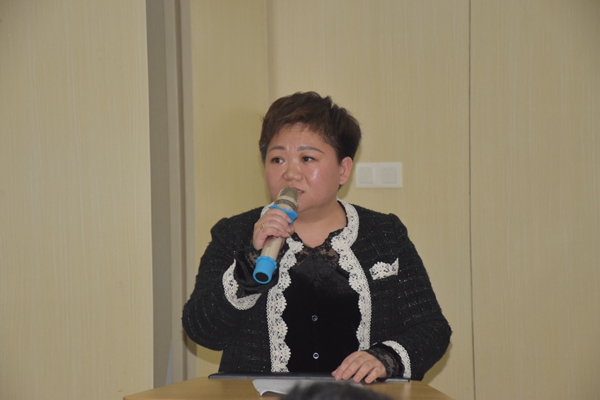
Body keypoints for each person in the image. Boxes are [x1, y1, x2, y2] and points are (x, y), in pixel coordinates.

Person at [182, 91, 451, 383]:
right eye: (277, 159)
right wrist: (250, 261)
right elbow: (202, 331)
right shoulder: (234, 233)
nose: (290, 173)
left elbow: (431, 328)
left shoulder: (385, 234)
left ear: (343, 170)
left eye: (307, 158)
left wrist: (385, 358)